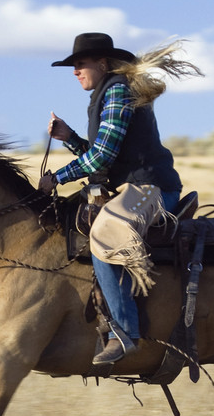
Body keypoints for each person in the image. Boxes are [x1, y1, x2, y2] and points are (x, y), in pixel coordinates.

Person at [40, 32, 202, 364]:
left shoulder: (117, 92)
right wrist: (70, 137)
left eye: (79, 64)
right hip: (132, 187)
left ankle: (125, 333)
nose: (74, 71)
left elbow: (101, 158)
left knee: (105, 235)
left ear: (102, 63)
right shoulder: (106, 93)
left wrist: (57, 178)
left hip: (150, 189)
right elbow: (105, 157)